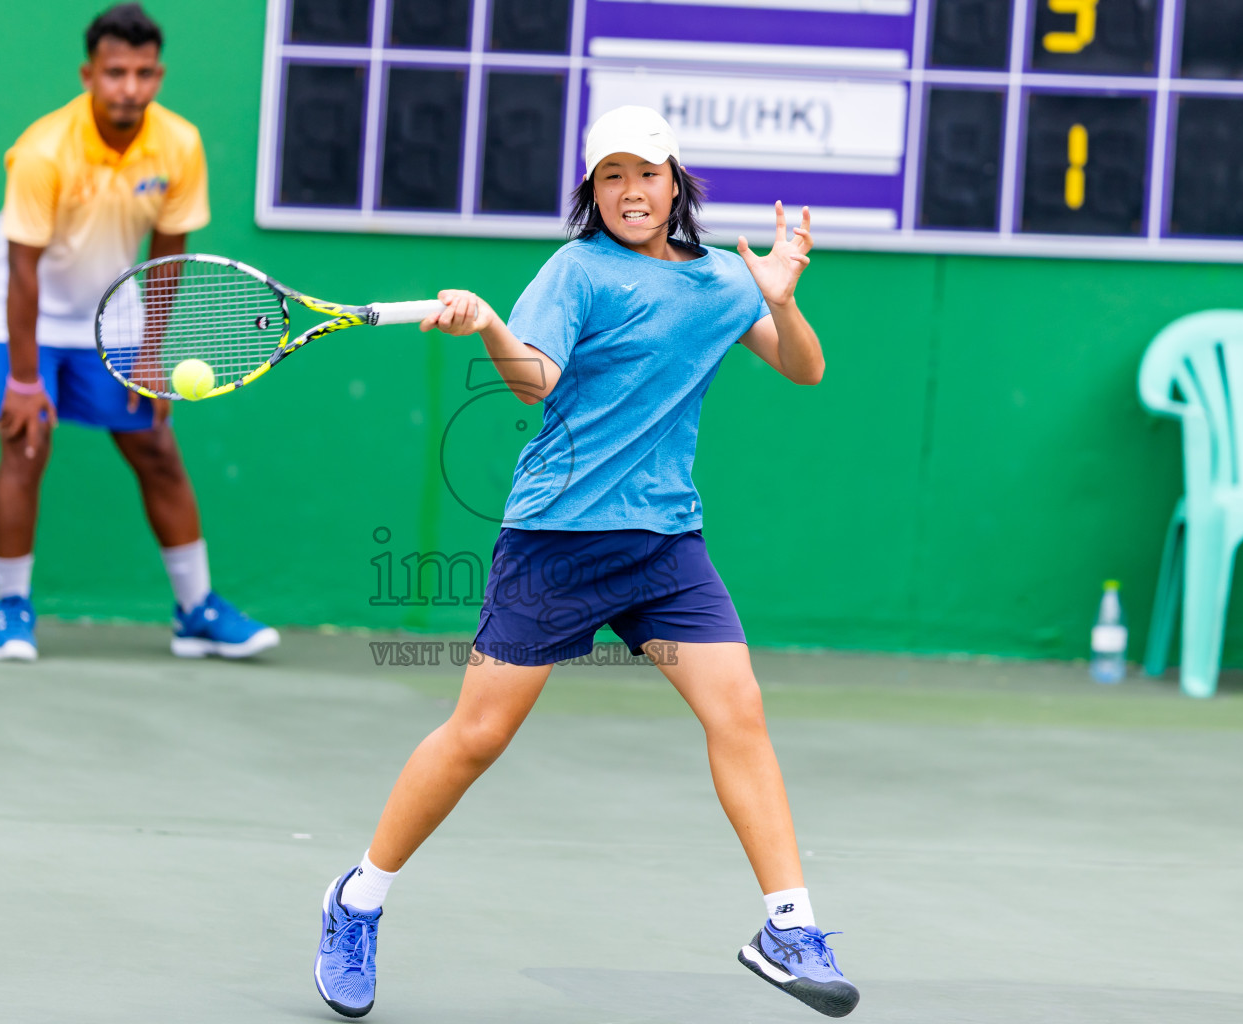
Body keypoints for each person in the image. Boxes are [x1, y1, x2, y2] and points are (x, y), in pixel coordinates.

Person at [312, 106, 858, 1018]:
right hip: (555, 542)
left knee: (741, 712)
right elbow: (533, 377)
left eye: (645, 174)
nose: (630, 192)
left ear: (675, 182)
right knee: (477, 738)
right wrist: (488, 322)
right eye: (611, 178)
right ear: (591, 193)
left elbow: (804, 370)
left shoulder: (727, 281)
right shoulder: (575, 272)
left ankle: (788, 926)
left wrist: (780, 298)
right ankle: (356, 899)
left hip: (665, 547)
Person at [0, 4, 277, 662]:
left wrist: (156, 360)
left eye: (142, 73)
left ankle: (196, 611)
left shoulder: (179, 144)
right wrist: (24, 380)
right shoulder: (43, 149)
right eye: (114, 73)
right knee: (27, 442)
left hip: (112, 305)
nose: (129, 88)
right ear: (88, 74)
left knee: (156, 448)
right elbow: (24, 271)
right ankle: (10, 608)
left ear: (159, 75)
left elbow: (167, 263)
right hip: (17, 304)